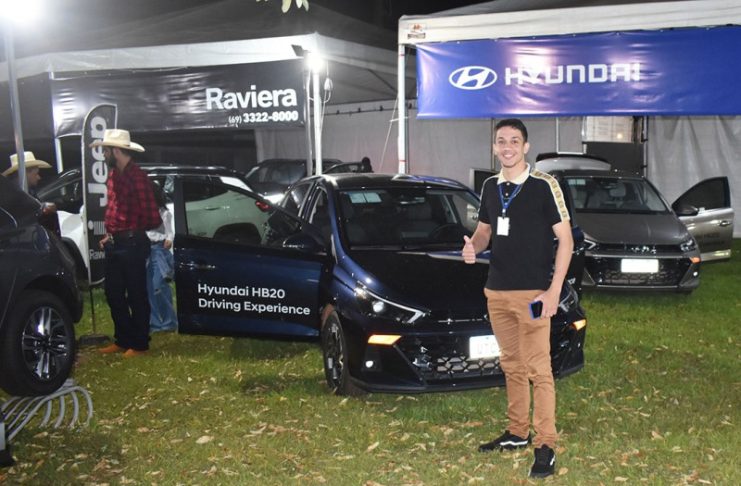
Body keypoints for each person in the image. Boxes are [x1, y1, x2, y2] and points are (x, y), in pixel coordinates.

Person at [461, 119, 573, 479]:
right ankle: (517, 432)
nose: (507, 147)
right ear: (494, 147)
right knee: (511, 364)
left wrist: (553, 290)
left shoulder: (544, 185)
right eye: (501, 141)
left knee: (539, 369)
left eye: (514, 141)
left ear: (525, 146)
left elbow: (566, 240)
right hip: (497, 291)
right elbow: (484, 231)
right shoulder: (490, 187)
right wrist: (473, 246)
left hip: (533, 295)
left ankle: (546, 445)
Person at [93, 129, 161, 357]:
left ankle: (139, 344)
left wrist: (131, 230)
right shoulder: (114, 175)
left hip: (131, 243)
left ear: (115, 151)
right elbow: (115, 211)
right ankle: (123, 339)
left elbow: (152, 216)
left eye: (105, 151)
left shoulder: (138, 177)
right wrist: (112, 234)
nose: (104, 155)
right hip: (116, 242)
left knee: (136, 294)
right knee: (113, 293)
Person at [146, 181, 178, 333]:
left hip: (158, 249)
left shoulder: (163, 213)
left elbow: (169, 232)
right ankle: (154, 323)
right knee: (147, 288)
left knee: (158, 286)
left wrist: (169, 240)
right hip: (145, 250)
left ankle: (169, 321)